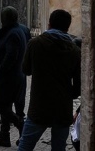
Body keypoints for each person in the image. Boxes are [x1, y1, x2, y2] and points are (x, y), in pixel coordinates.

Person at [17, 9, 81, 151]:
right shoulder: (75, 50)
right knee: (59, 147)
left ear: (49, 23)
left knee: (26, 145)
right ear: (67, 27)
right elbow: (78, 86)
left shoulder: (35, 44)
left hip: (39, 106)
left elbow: (25, 70)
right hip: (62, 108)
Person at [0, 6, 28, 147]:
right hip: (13, 75)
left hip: (9, 77)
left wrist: (0, 71)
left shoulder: (13, 33)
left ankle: (20, 125)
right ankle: (4, 136)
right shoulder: (15, 30)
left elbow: (11, 56)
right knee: (5, 105)